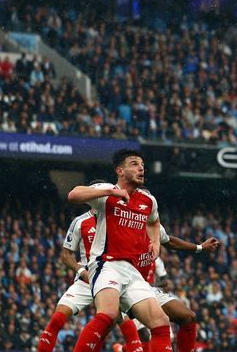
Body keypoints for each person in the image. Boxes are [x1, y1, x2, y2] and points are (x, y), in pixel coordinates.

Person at [68, 149, 172, 351]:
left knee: (161, 321)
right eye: (134, 164)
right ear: (120, 171)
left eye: (142, 164)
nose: (141, 167)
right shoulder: (107, 191)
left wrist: (155, 242)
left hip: (133, 272)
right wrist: (110, 192)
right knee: (107, 313)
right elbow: (74, 195)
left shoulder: (148, 200)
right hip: (106, 264)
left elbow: (154, 221)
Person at [37, 199, 141, 352]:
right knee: (57, 319)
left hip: (110, 279)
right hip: (86, 279)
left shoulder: (118, 220)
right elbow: (66, 255)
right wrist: (81, 271)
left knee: (123, 326)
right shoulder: (80, 222)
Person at [134, 224, 220, 352]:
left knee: (189, 317)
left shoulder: (151, 221)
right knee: (147, 333)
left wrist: (200, 247)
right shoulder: (121, 220)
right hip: (124, 283)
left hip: (145, 287)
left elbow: (170, 242)